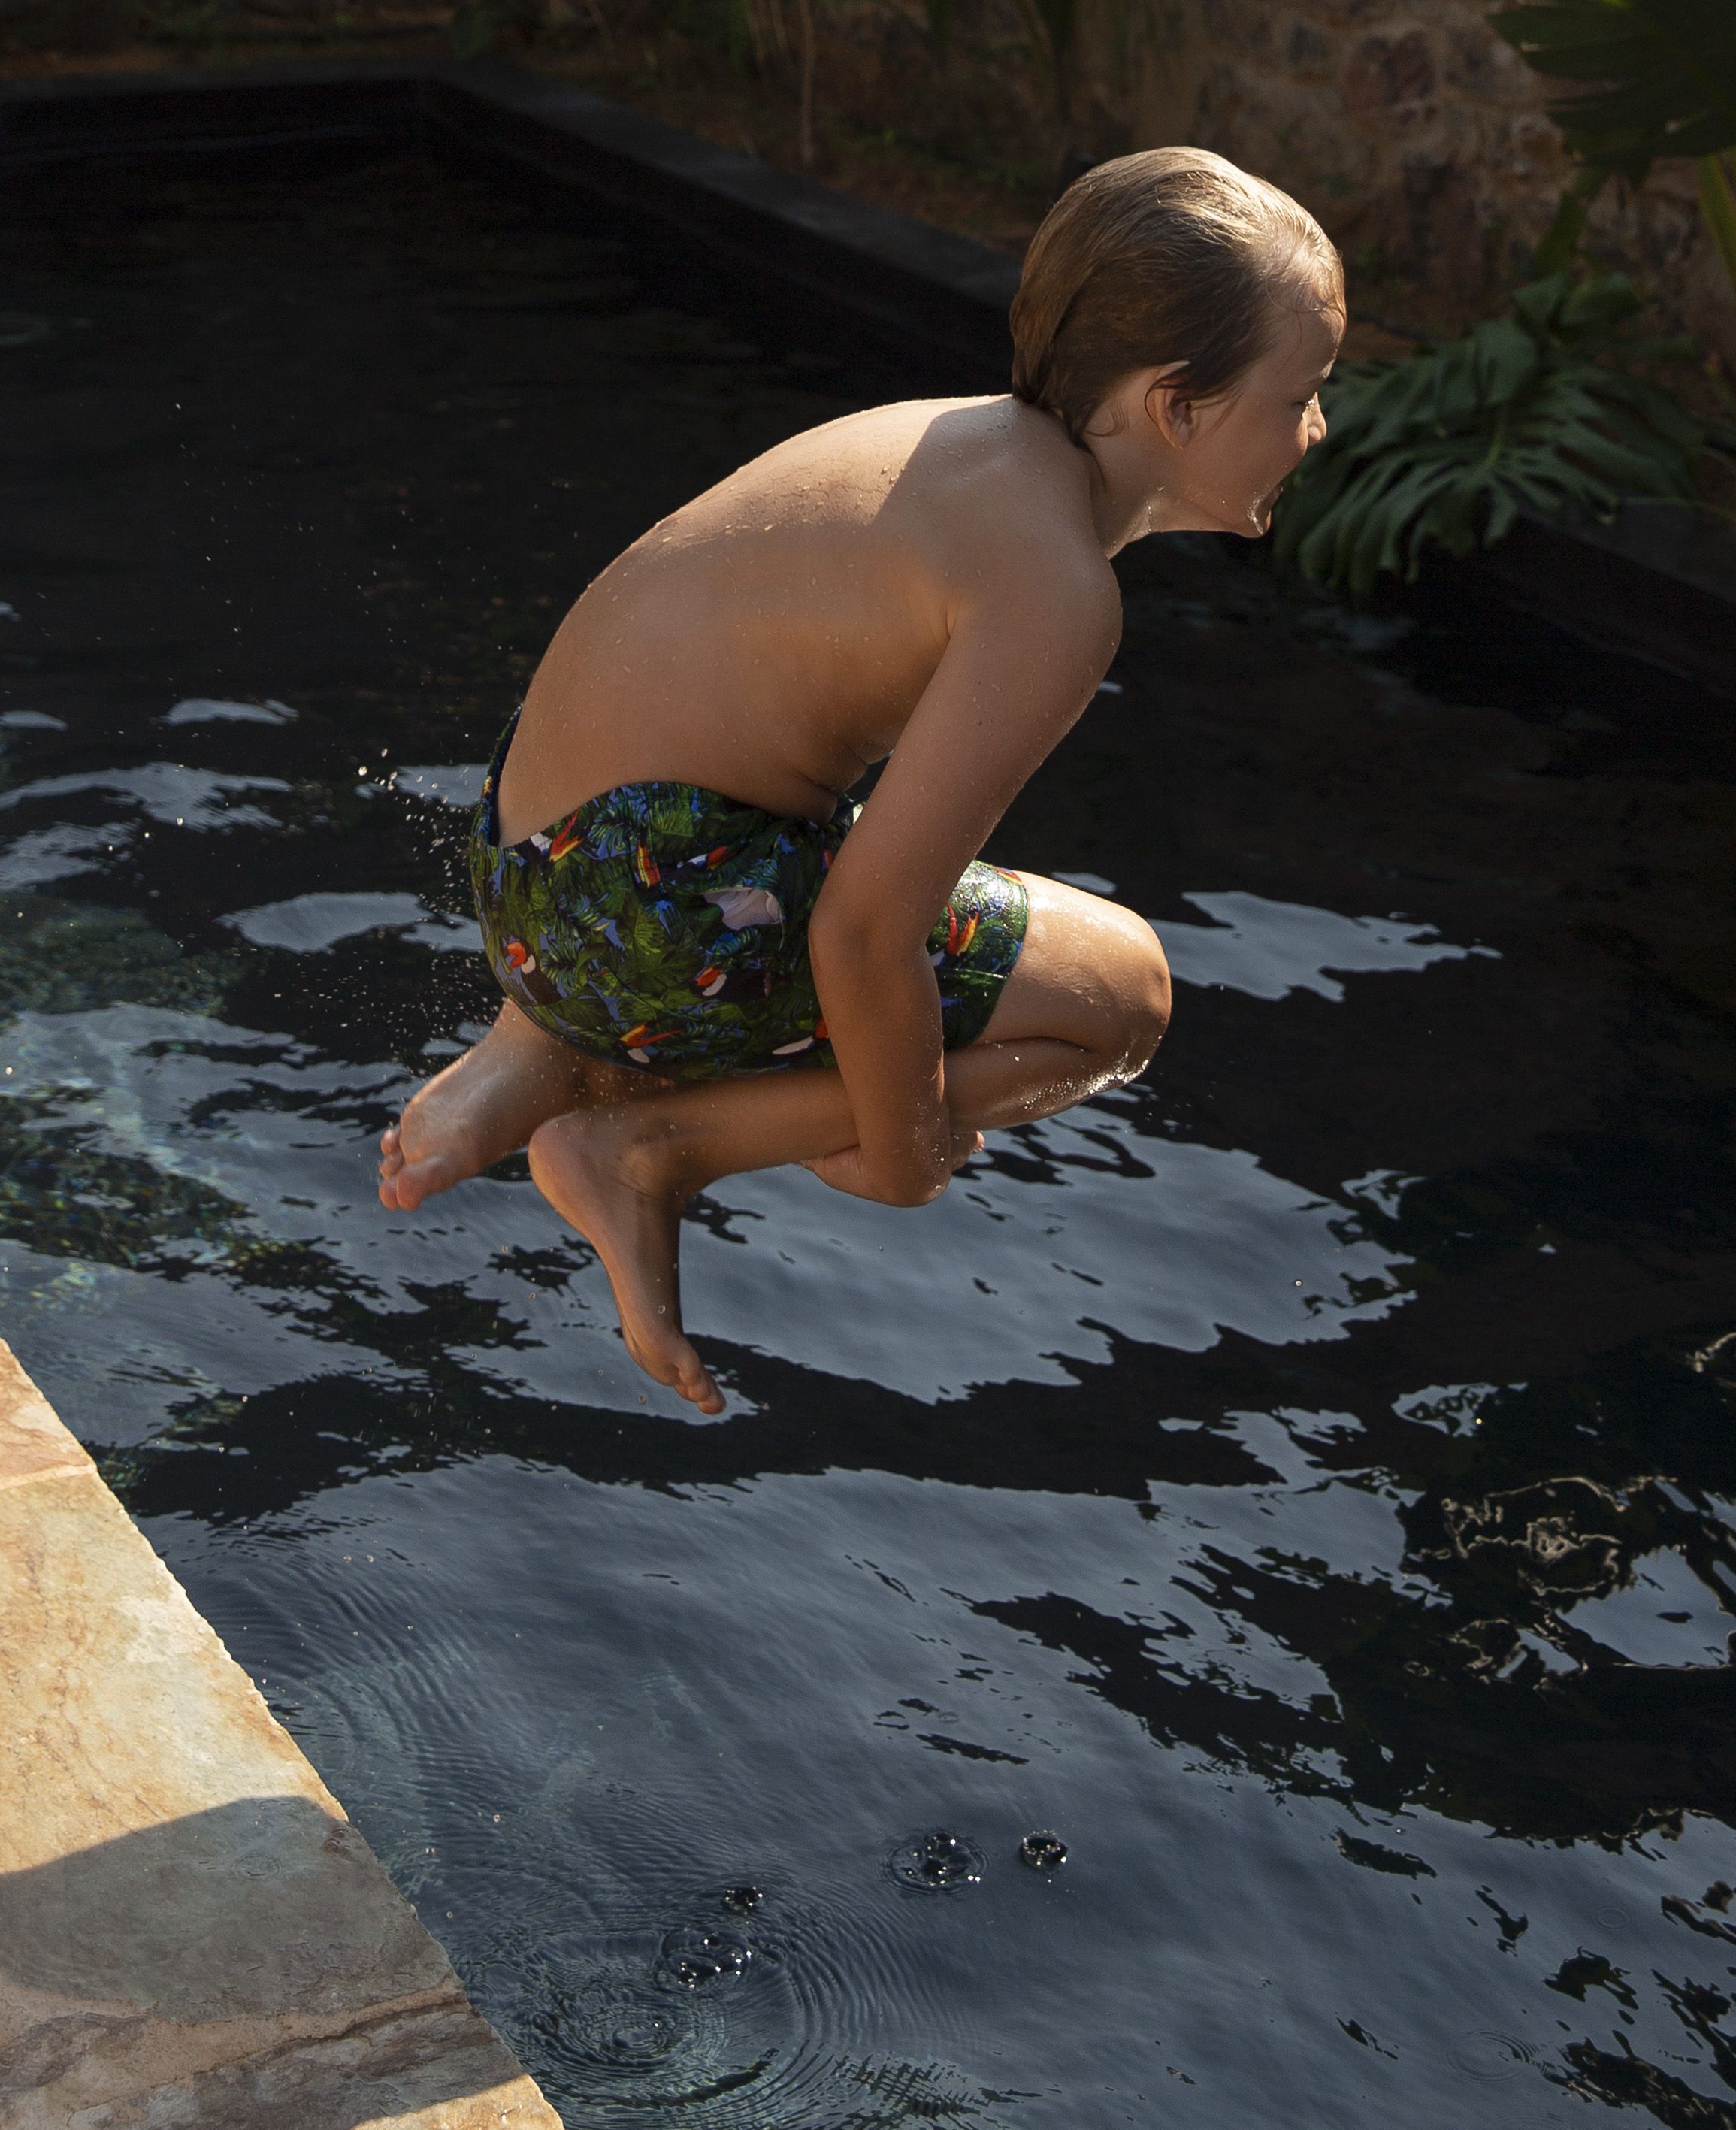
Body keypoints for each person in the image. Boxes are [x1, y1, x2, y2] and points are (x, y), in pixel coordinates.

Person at [377, 144, 1344, 1412]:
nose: (1317, 431)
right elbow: (867, 930)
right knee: (1124, 995)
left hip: (533, 863)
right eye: (1302, 395)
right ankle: (646, 1145)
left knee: (778, 788)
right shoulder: (1057, 587)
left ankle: (528, 1059)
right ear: (1177, 407)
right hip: (648, 906)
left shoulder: (955, 444)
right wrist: (906, 1155)